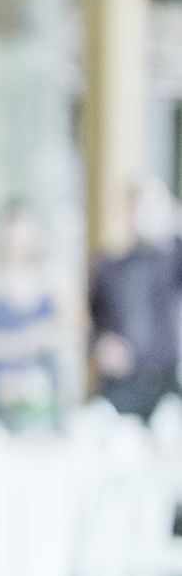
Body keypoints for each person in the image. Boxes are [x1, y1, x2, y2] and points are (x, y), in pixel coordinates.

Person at [0, 200, 81, 432]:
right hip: (2, 393)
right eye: (13, 237)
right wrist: (15, 344)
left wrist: (45, 336)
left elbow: (77, 328)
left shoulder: (55, 278)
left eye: (26, 237)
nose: (20, 245)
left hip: (47, 392)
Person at [90, 177, 182, 420]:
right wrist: (101, 344)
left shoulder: (172, 257)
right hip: (121, 386)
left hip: (164, 383)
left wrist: (173, 217)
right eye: (136, 208)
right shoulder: (107, 266)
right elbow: (93, 324)